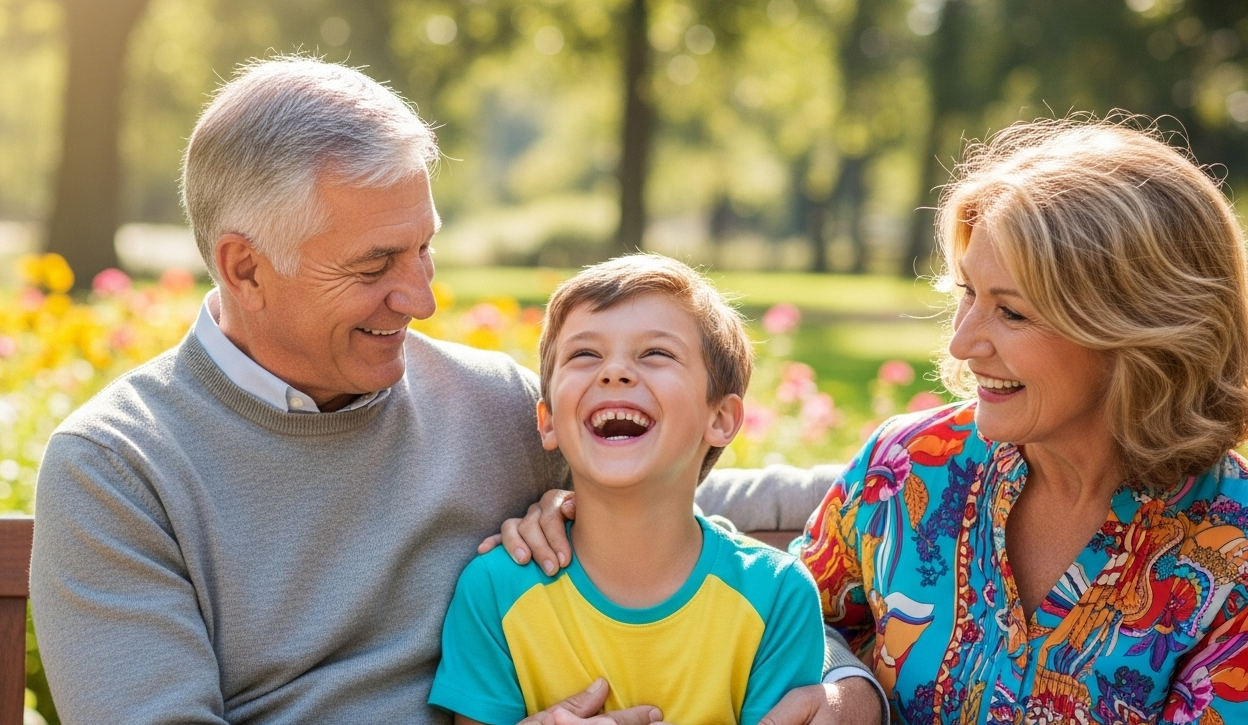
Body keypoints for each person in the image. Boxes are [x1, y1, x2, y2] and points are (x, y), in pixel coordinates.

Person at [28, 57, 880, 724]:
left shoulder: (485, 404)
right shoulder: (118, 468)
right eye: (375, 266)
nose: (422, 299)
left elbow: (685, 506)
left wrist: (848, 687)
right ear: (245, 267)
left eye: (423, 248)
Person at [794, 119, 1248, 722]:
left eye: (1010, 311)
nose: (961, 343)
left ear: (1138, 334)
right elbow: (785, 619)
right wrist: (845, 680)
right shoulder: (907, 467)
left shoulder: (1231, 557)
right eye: (967, 293)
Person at [430, 256, 826, 725]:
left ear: (720, 419)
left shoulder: (777, 595)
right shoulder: (493, 591)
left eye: (656, 354)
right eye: (585, 355)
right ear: (549, 420)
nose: (614, 372)